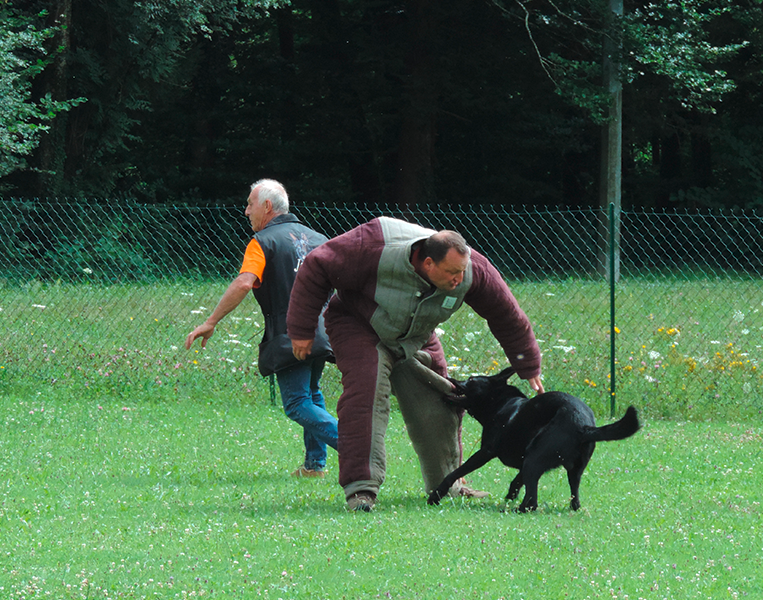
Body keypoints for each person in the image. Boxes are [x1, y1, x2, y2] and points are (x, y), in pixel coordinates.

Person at [285, 216, 544, 511]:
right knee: (366, 393)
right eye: (451, 273)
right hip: (359, 324)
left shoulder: (474, 270)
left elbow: (507, 315)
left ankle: (447, 486)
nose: (458, 279)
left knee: (444, 399)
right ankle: (361, 490)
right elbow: (316, 265)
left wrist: (528, 365)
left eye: (462, 271)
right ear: (427, 263)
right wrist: (302, 330)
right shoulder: (371, 246)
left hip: (416, 334)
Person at [185, 179, 338, 478]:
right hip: (323, 330)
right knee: (312, 393)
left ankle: (358, 449)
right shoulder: (319, 238)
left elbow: (244, 282)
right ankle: (314, 465)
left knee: (296, 403)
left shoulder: (263, 242)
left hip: (290, 333)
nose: (246, 211)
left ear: (267, 206)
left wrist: (210, 321)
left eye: (250, 204)